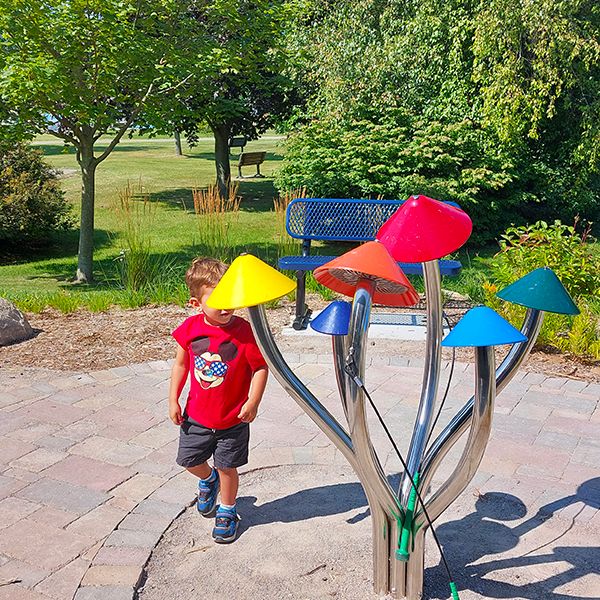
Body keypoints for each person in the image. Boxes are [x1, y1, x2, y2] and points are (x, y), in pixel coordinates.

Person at [168, 257, 268, 543]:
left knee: (228, 466)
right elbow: (181, 365)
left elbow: (261, 367)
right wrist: (173, 399)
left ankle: (227, 510)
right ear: (195, 304)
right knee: (188, 460)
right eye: (218, 300)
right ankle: (207, 479)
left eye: (231, 299)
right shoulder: (189, 329)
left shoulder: (244, 332)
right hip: (196, 417)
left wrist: (253, 401)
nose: (226, 307)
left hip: (233, 419)